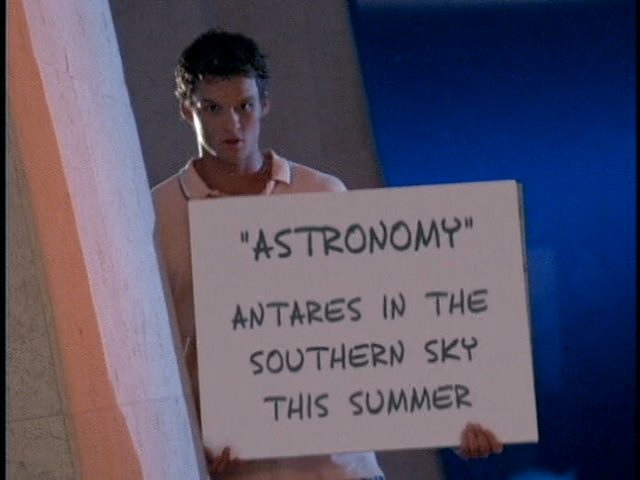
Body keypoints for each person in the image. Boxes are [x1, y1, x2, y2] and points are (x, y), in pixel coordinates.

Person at [152, 28, 503, 479]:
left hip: (344, 467)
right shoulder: (157, 213)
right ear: (187, 109)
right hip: (238, 467)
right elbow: (154, 355)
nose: (232, 125)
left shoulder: (320, 194)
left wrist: (456, 416)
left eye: (244, 106)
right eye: (213, 108)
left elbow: (385, 316)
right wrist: (187, 439)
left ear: (265, 104)